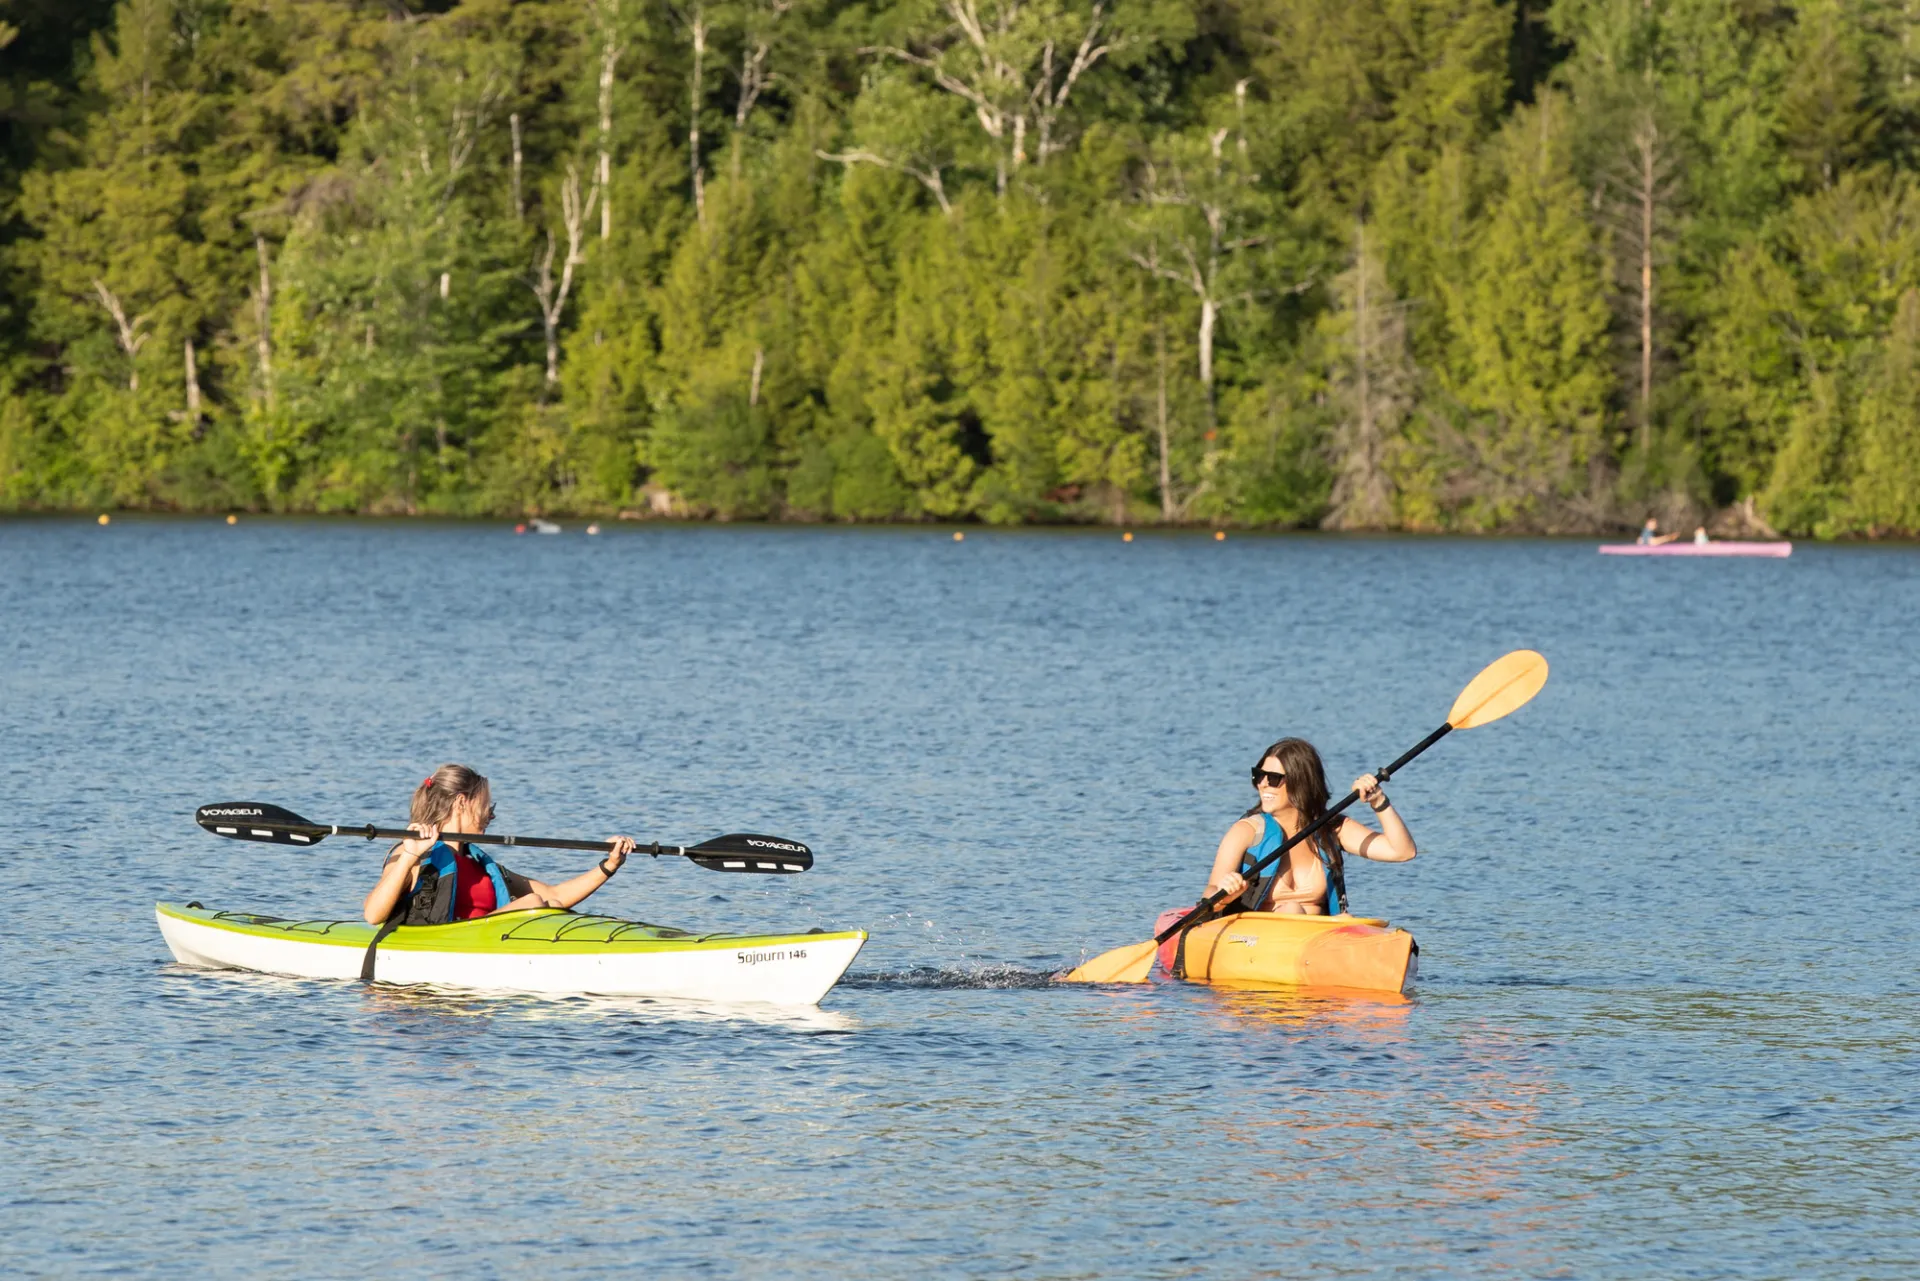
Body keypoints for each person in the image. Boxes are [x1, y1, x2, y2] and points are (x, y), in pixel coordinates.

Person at [362, 764, 638, 926]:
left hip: (482, 948)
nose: (491, 813)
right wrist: (409, 857)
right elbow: (373, 915)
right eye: (486, 804)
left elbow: (556, 896)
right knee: (532, 902)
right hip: (440, 948)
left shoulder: (479, 863)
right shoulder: (414, 852)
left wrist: (609, 865)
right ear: (461, 803)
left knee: (543, 901)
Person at [1204, 738, 1417, 916]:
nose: (1263, 784)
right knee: (1292, 910)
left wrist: (1379, 802)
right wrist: (1225, 894)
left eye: (1274, 778)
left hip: (1316, 940)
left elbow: (1402, 852)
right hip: (1258, 941)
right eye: (1259, 775)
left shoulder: (1333, 829)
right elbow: (1209, 895)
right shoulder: (1246, 831)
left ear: (1301, 782)